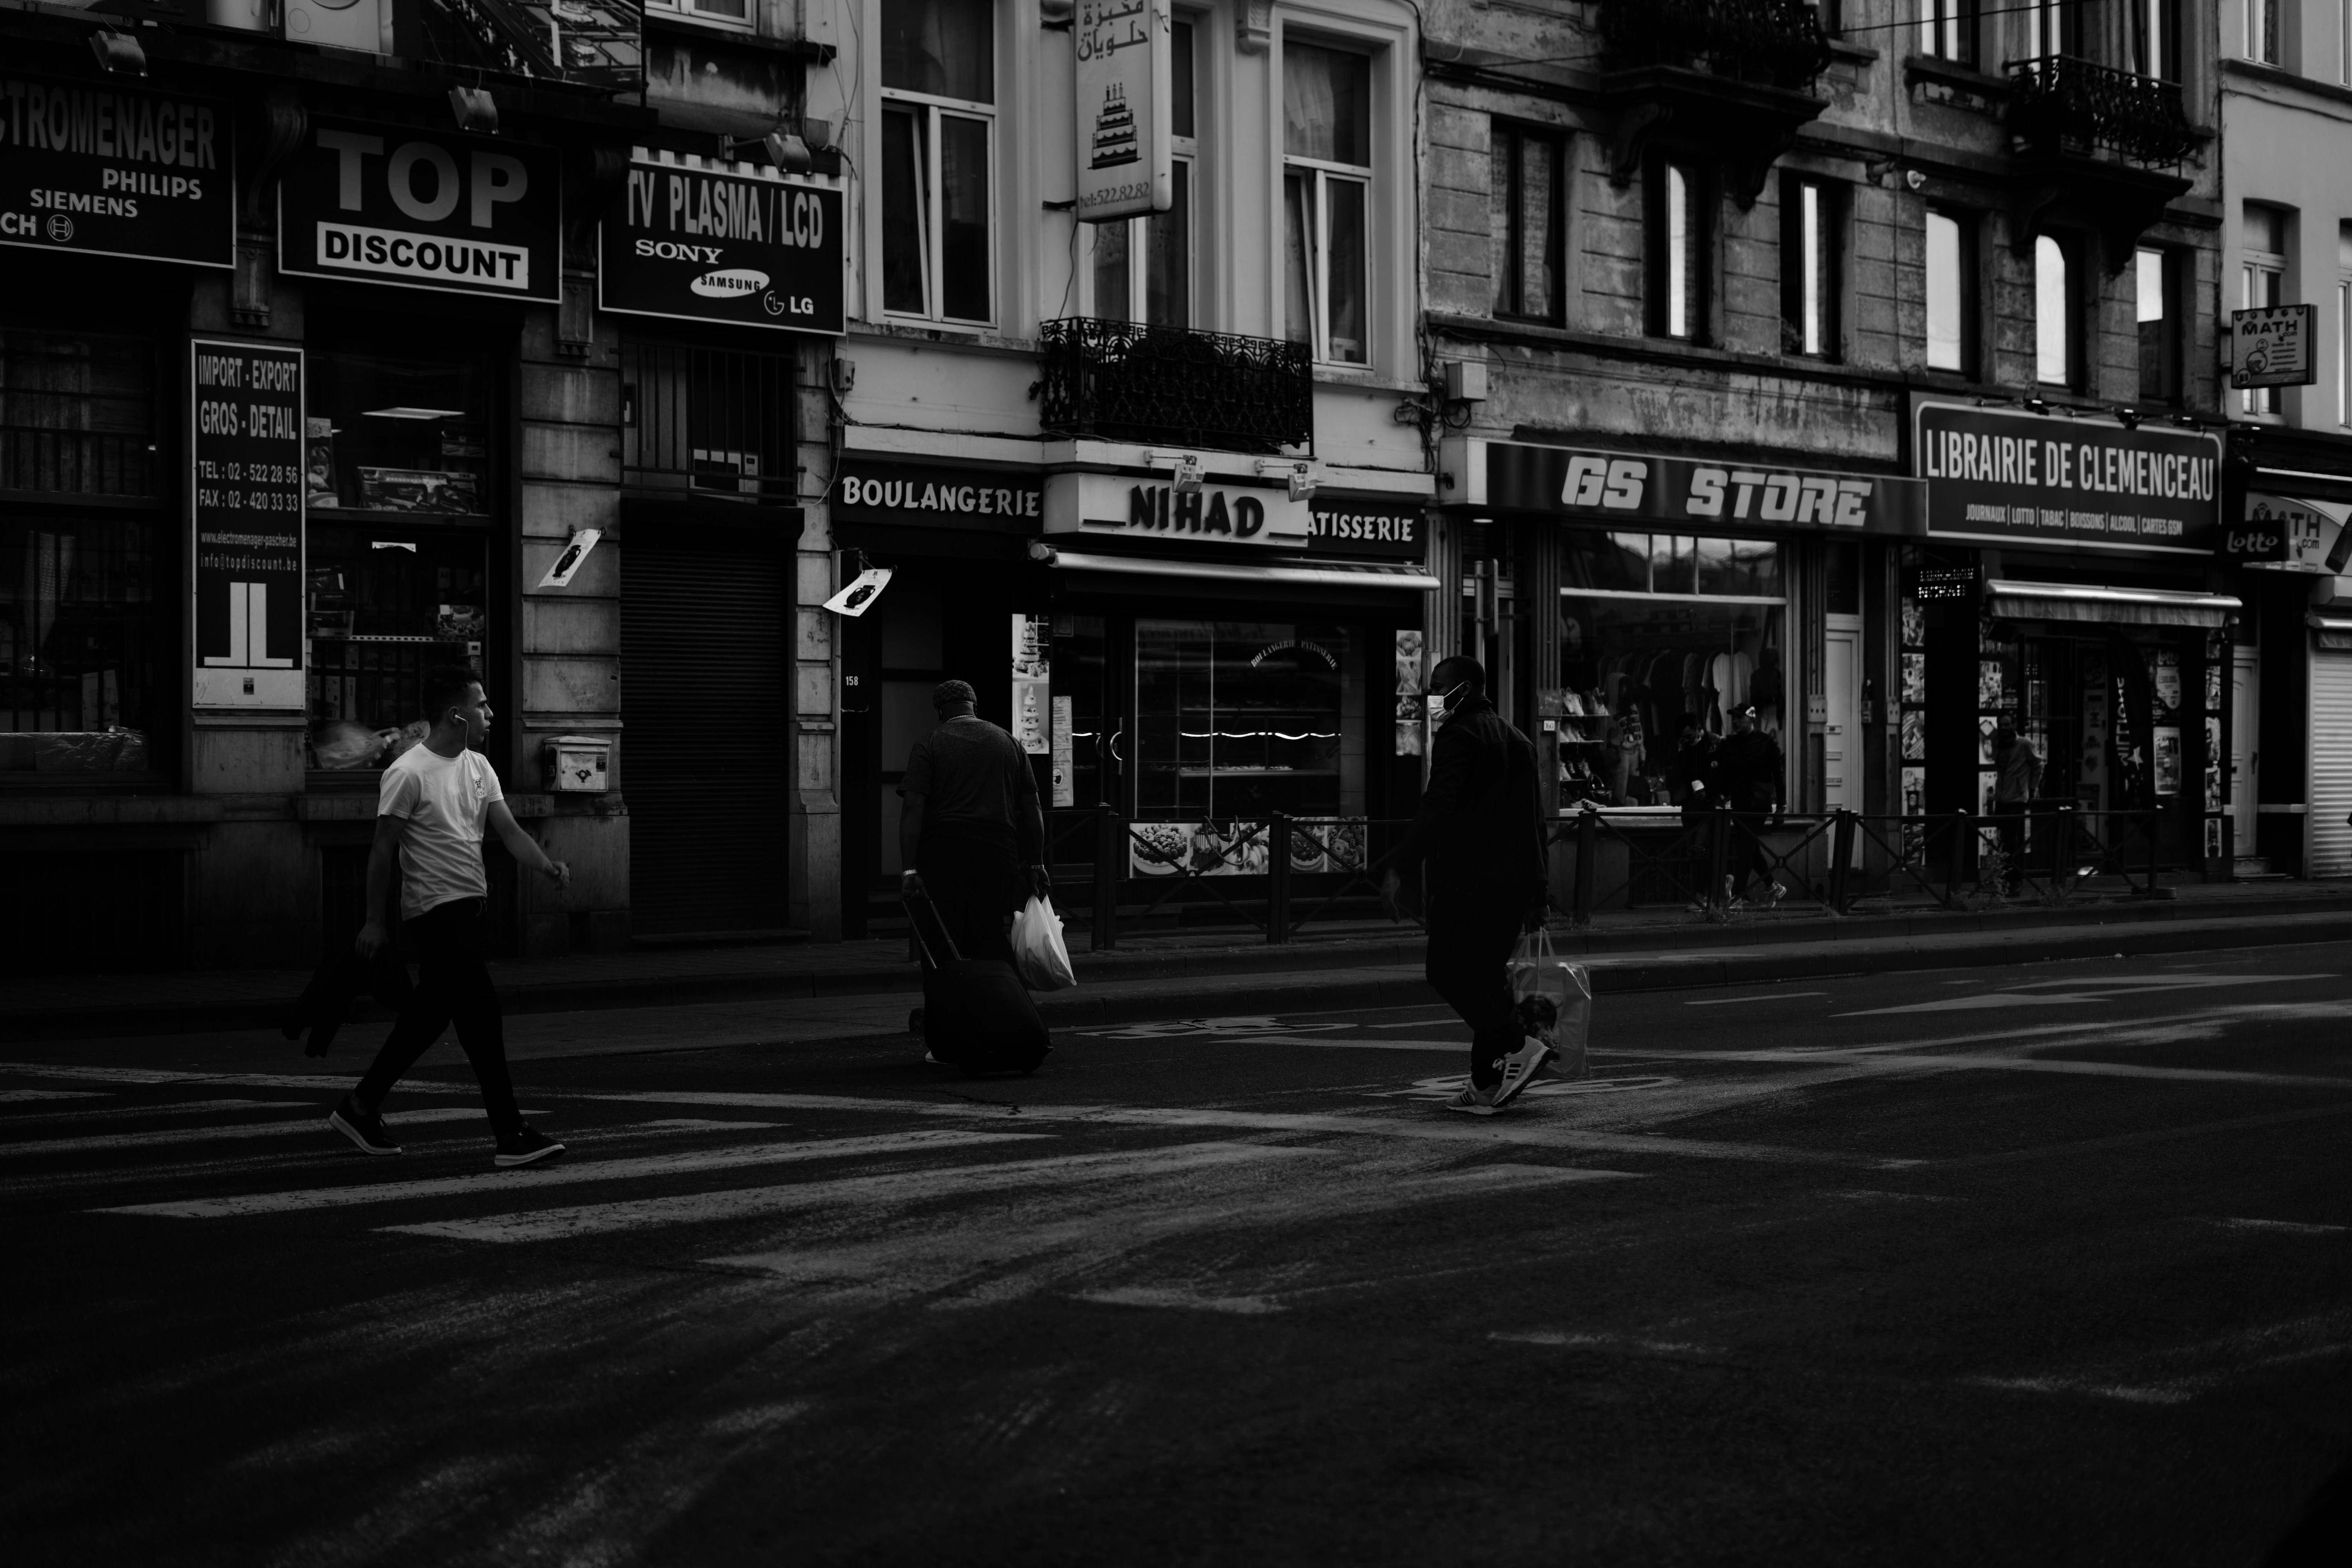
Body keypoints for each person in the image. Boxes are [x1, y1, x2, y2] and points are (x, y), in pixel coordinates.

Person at [326, 666, 572, 1168]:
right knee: (481, 1013)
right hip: (433, 912)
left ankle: (359, 1106)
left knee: (426, 1019)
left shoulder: (480, 767)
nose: (490, 714)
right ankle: (510, 1131)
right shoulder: (408, 772)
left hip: (466, 908)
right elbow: (381, 850)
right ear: (456, 714)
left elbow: (508, 831)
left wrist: (546, 865)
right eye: (483, 705)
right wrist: (374, 922)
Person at [1372, 655, 1552, 1116]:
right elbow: (1536, 821)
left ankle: (1518, 1046)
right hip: (1515, 882)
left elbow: (1439, 806)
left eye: (1439, 687)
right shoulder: (1520, 740)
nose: (1432, 696)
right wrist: (1539, 894)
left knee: (1447, 970)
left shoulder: (1458, 735)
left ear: (1467, 688)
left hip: (1471, 880)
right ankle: (1486, 1085)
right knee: (1488, 978)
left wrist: (1400, 866)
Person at [899, 679, 1052, 966]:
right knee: (989, 935)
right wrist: (1036, 864)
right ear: (974, 706)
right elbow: (1033, 809)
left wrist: (909, 870)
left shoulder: (930, 743)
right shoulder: (1009, 743)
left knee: (942, 936)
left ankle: (947, 1003)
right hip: (997, 853)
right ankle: (996, 1000)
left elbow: (912, 809)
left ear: (940, 712)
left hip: (944, 852)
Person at [1710, 701, 1784, 909]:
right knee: (1750, 849)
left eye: (1740, 718)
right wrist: (1721, 795)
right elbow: (1724, 773)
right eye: (1734, 718)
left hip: (1759, 803)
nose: (1736, 722)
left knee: (1745, 849)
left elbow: (1778, 775)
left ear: (1751, 719)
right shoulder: (1729, 743)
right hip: (1740, 803)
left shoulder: (1765, 742)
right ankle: (1772, 886)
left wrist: (1782, 806)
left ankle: (1739, 897)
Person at [1665, 713, 1719, 913]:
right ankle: (1720, 886)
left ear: (1698, 729)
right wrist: (1680, 753)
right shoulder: (1685, 748)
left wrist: (1709, 792)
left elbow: (1723, 776)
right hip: (1689, 806)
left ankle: (1703, 897)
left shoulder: (1716, 744)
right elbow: (1677, 775)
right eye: (1683, 737)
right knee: (1694, 854)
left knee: (1700, 849)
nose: (1686, 740)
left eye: (1689, 736)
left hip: (1709, 807)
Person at [1991, 720, 2043, 891]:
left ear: (2014, 725)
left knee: (2011, 841)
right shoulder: (1996, 743)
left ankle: (2015, 881)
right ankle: (2005, 879)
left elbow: (2038, 765)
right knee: (2003, 841)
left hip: (2017, 799)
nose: (2004, 728)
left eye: (2007, 724)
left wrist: (2032, 789)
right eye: (2001, 725)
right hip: (2001, 799)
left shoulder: (2024, 744)